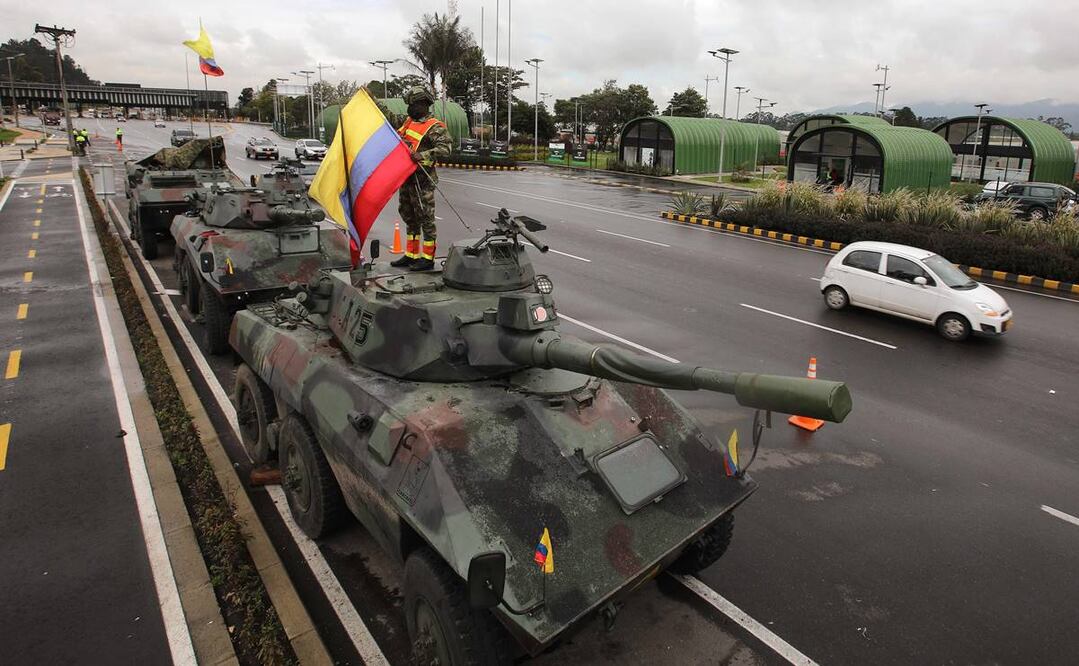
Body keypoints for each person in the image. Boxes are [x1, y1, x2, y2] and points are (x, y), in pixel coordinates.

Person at [389, 86, 453, 272]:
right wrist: (372, 101)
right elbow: (389, 119)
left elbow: (446, 149)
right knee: (409, 217)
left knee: (425, 218)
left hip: (422, 181)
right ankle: (411, 255)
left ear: (423, 104)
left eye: (413, 104)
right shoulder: (408, 122)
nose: (410, 108)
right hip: (406, 179)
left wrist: (423, 154)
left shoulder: (435, 127)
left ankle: (427, 258)